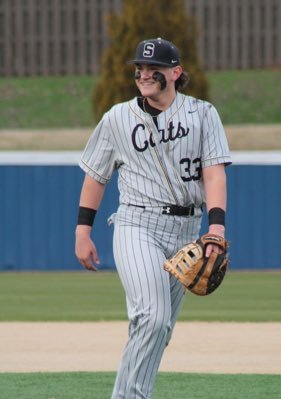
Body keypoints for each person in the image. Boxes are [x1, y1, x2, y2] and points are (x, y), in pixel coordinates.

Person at [75, 37, 231, 398]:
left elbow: (215, 173)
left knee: (158, 329)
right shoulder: (117, 117)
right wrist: (83, 231)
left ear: (175, 72)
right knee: (152, 317)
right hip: (136, 224)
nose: (145, 74)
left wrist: (216, 226)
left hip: (188, 229)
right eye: (140, 69)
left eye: (154, 69)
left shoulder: (203, 114)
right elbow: (96, 176)